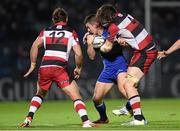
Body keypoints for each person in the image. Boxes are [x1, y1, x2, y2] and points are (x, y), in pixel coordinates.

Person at [20, 7, 95, 128]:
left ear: (53, 20)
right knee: (76, 95)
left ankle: (28, 118)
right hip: (59, 67)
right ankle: (86, 122)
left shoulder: (46, 31)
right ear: (66, 19)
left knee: (40, 94)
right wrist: (78, 68)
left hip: (45, 66)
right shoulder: (71, 32)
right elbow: (79, 53)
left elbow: (34, 46)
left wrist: (33, 64)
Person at [95, 4, 158, 125]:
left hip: (145, 53)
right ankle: (130, 108)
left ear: (107, 17)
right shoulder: (124, 16)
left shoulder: (113, 27)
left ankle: (139, 119)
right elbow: (130, 34)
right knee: (127, 84)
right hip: (142, 51)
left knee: (129, 85)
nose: (102, 21)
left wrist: (98, 45)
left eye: (102, 18)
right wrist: (122, 40)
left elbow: (107, 48)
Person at [84, 14, 128, 124]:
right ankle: (104, 118)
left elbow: (119, 43)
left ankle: (139, 116)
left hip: (120, 66)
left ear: (95, 25)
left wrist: (121, 40)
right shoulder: (91, 36)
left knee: (127, 92)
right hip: (108, 70)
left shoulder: (110, 32)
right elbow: (91, 56)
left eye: (89, 27)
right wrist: (90, 44)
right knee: (96, 98)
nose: (88, 30)